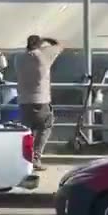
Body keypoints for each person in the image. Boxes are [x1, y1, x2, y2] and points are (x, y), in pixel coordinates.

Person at [16, 34, 63, 170]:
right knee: (45, 126)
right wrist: (47, 39)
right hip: (41, 100)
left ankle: (25, 160)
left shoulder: (18, 58)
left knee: (27, 132)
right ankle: (35, 158)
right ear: (39, 44)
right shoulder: (43, 56)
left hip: (23, 101)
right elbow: (59, 45)